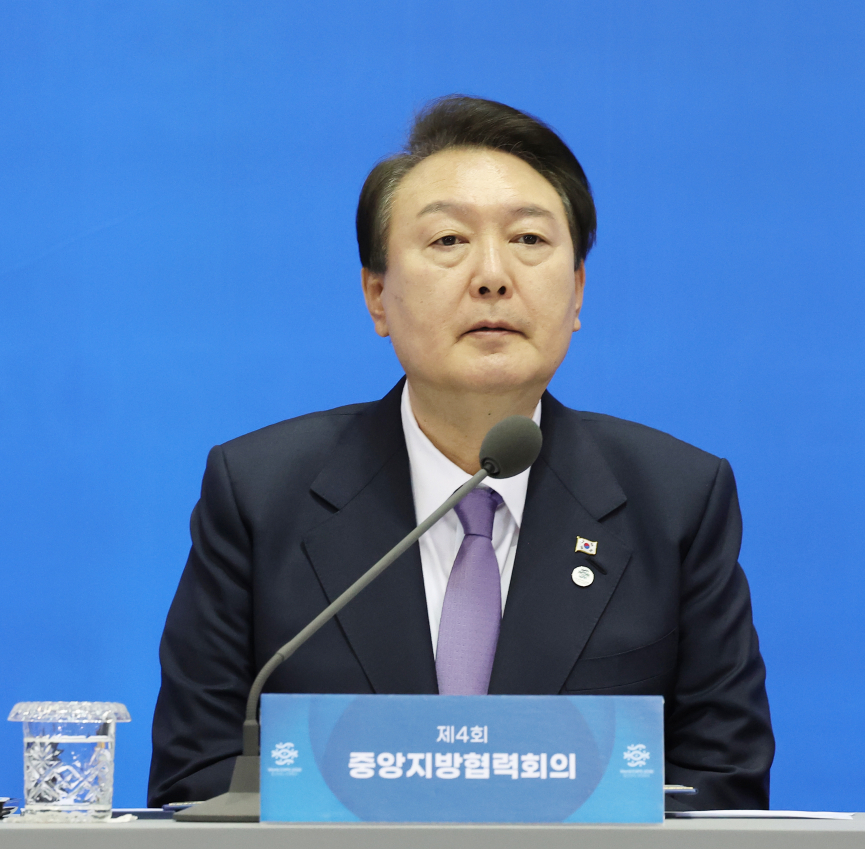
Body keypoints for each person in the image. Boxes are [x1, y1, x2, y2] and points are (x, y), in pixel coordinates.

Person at [148, 96, 774, 810]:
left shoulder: (677, 500)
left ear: (576, 294)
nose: (492, 275)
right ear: (378, 295)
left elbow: (721, 791)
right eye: (448, 241)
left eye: (530, 240)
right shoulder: (260, 496)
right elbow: (195, 784)